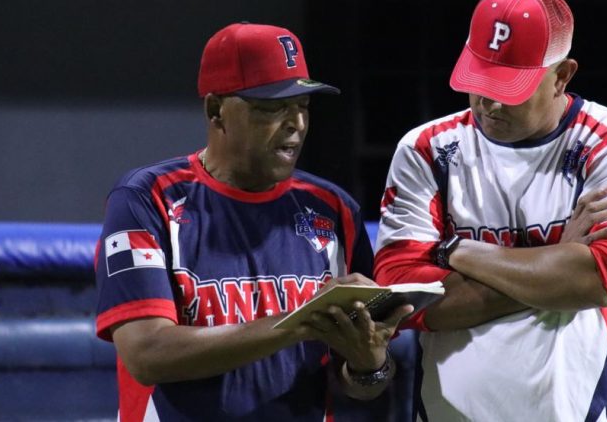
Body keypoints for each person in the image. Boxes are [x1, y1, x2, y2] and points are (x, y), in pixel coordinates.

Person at [374, 0, 607, 421]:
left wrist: (454, 251)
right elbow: (403, 298)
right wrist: (555, 260)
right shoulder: (426, 149)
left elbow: (598, 280)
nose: (489, 103)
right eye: (479, 79)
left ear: (562, 75)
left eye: (509, 87)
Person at [94, 22, 412, 422]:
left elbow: (359, 383)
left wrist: (368, 366)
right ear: (216, 110)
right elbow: (147, 354)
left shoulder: (333, 208)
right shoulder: (146, 198)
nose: (296, 122)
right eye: (272, 107)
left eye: (302, 105)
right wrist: (300, 322)